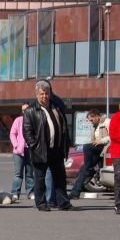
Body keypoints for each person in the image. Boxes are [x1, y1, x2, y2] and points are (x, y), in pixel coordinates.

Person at [22, 80, 72, 211]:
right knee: (40, 178)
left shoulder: (56, 108)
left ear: (50, 94)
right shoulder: (30, 111)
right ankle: (41, 203)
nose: (44, 96)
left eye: (46, 93)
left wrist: (66, 143)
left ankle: (63, 202)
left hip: (56, 148)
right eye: (42, 94)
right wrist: (34, 146)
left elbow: (63, 127)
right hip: (41, 150)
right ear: (37, 95)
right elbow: (27, 132)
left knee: (60, 178)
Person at [69, 109, 111, 200]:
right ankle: (75, 192)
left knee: (86, 148)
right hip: (98, 149)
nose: (90, 122)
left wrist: (101, 140)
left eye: (91, 120)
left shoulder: (107, 122)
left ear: (97, 117)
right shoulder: (94, 126)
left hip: (105, 148)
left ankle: (89, 167)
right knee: (83, 169)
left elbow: (113, 136)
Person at [107, 92, 120, 214]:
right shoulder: (116, 117)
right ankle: (119, 204)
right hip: (119, 152)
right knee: (119, 178)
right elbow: (113, 135)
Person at [9, 103, 34, 201]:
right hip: (18, 151)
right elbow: (12, 134)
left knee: (30, 173)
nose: (24, 112)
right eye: (23, 110)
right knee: (18, 173)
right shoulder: (18, 120)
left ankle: (31, 192)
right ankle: (15, 193)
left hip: (30, 149)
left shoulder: (33, 120)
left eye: (26, 109)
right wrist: (16, 145)